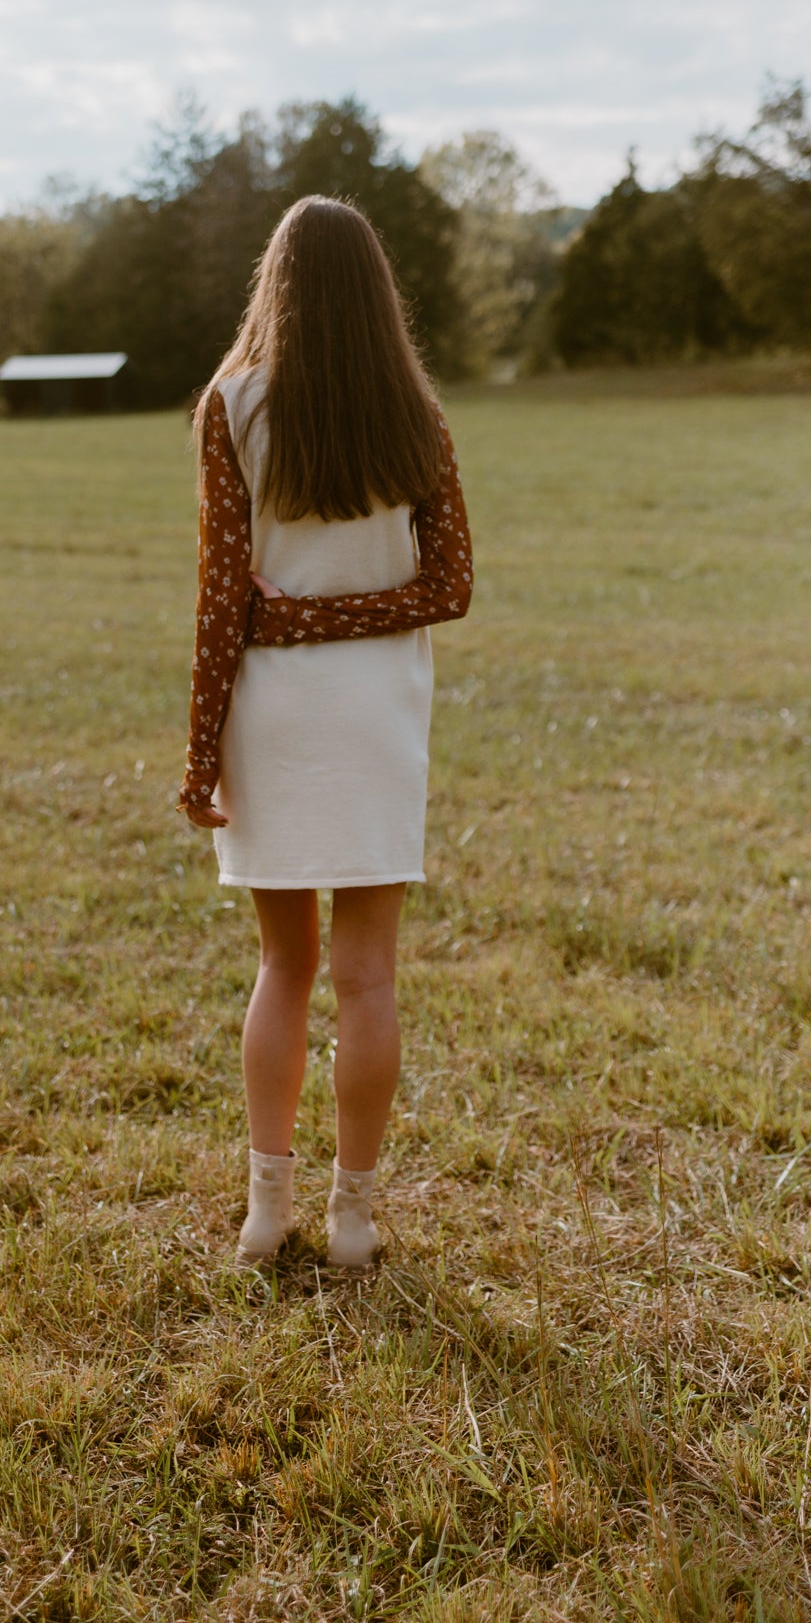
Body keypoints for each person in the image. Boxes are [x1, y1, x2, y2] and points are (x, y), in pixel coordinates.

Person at [179, 194, 473, 1270]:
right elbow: (451, 585)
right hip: (376, 713)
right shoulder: (417, 414)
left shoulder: (232, 402)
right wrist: (344, 615)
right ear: (376, 294)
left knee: (282, 965)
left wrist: (201, 743)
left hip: (277, 706)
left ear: (278, 285)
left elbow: (222, 597)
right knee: (369, 977)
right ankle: (353, 1216)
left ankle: (267, 1208)